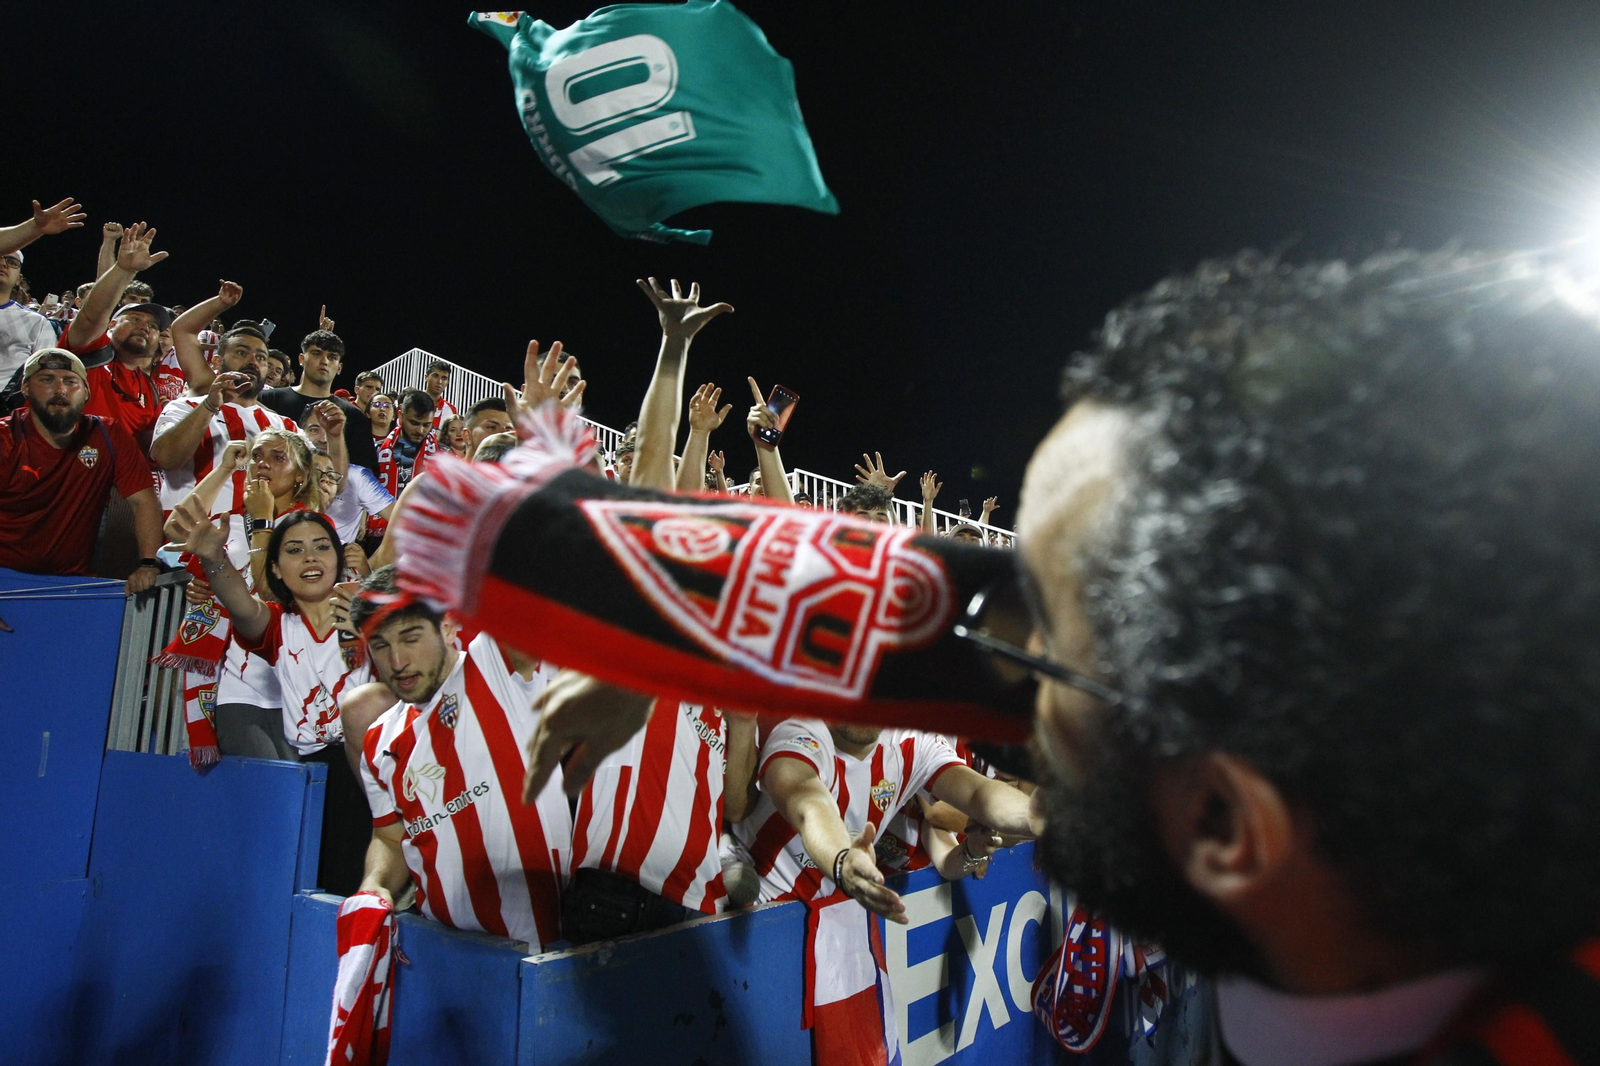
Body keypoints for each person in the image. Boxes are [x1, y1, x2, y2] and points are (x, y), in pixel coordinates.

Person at [339, 565, 571, 951]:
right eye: (380, 645)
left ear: (448, 627)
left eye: (410, 638)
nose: (397, 661)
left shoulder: (497, 667)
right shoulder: (379, 740)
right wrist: (374, 885)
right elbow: (390, 837)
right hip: (444, 949)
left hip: (545, 948)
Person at [168, 502, 372, 896]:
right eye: (294, 550)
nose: (310, 557)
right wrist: (213, 556)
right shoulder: (278, 625)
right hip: (312, 777)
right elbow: (240, 605)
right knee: (319, 888)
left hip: (372, 768)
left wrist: (373, 630)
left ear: (338, 556)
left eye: (321, 546)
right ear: (276, 569)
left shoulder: (371, 611)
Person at [0, 349, 162, 592]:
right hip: (5, 578)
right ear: (25, 389)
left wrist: (148, 563)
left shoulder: (108, 434)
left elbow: (144, 502)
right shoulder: (5, 438)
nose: (60, 390)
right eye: (46, 380)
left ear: (86, 391)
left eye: (70, 381)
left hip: (72, 583)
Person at [259, 329, 380, 471]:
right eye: (316, 354)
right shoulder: (267, 400)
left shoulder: (353, 416)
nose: (324, 361)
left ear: (339, 367)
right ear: (301, 359)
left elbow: (361, 475)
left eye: (332, 357)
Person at [0, 197, 84, 383]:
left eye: (12, 262)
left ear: (19, 279)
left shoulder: (36, 323)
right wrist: (33, 228)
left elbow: (44, 376)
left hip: (11, 409)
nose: (3, 264)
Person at [375, 389, 436, 495]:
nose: (420, 431)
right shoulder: (377, 450)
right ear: (400, 415)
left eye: (426, 425)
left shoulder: (441, 454)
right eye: (414, 423)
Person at [423, 359, 457, 429]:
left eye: (444, 378)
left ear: (448, 382)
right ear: (426, 377)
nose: (439, 381)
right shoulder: (412, 402)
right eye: (435, 376)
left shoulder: (451, 410)